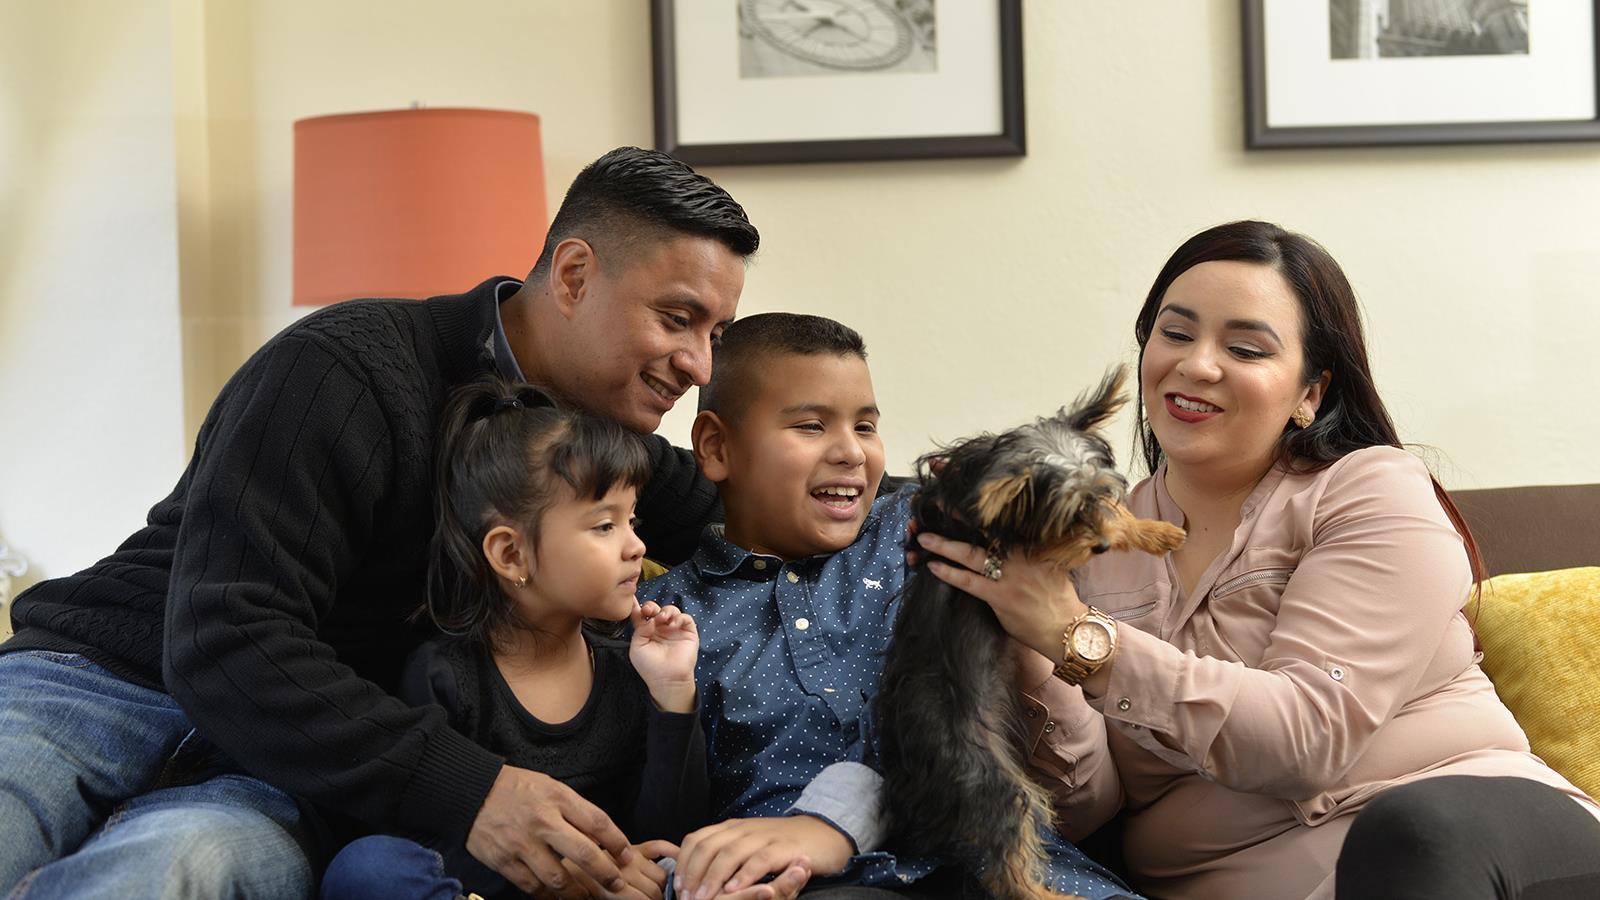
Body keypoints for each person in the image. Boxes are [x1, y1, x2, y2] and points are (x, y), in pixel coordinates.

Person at [0, 147, 776, 899]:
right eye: (678, 319)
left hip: (282, 772)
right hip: (101, 680)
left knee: (169, 871)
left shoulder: (603, 459)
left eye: (716, 335)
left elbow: (770, 507)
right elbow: (226, 636)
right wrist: (473, 790)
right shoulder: (344, 368)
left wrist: (902, 514)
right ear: (573, 275)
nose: (701, 366)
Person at [913, 220, 1600, 900]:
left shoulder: (1370, 489)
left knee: (1415, 831)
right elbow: (1087, 806)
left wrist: (1080, 637)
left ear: (1310, 394)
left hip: (1482, 844)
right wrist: (1024, 630)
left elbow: (1308, 739)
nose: (1196, 364)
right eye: (1174, 333)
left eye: (1244, 347)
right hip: (1236, 879)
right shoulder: (1091, 543)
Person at [639, 313, 1136, 900]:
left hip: (1006, 865)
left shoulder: (923, 533)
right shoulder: (663, 617)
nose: (851, 452)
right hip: (809, 884)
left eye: (867, 426)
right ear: (717, 447)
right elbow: (663, 818)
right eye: (810, 426)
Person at [320, 379, 711, 900]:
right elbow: (431, 840)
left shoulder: (629, 668)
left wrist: (672, 694)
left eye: (632, 520)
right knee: (370, 866)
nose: (636, 545)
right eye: (603, 526)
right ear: (510, 555)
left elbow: (667, 831)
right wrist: (574, 877)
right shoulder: (446, 675)